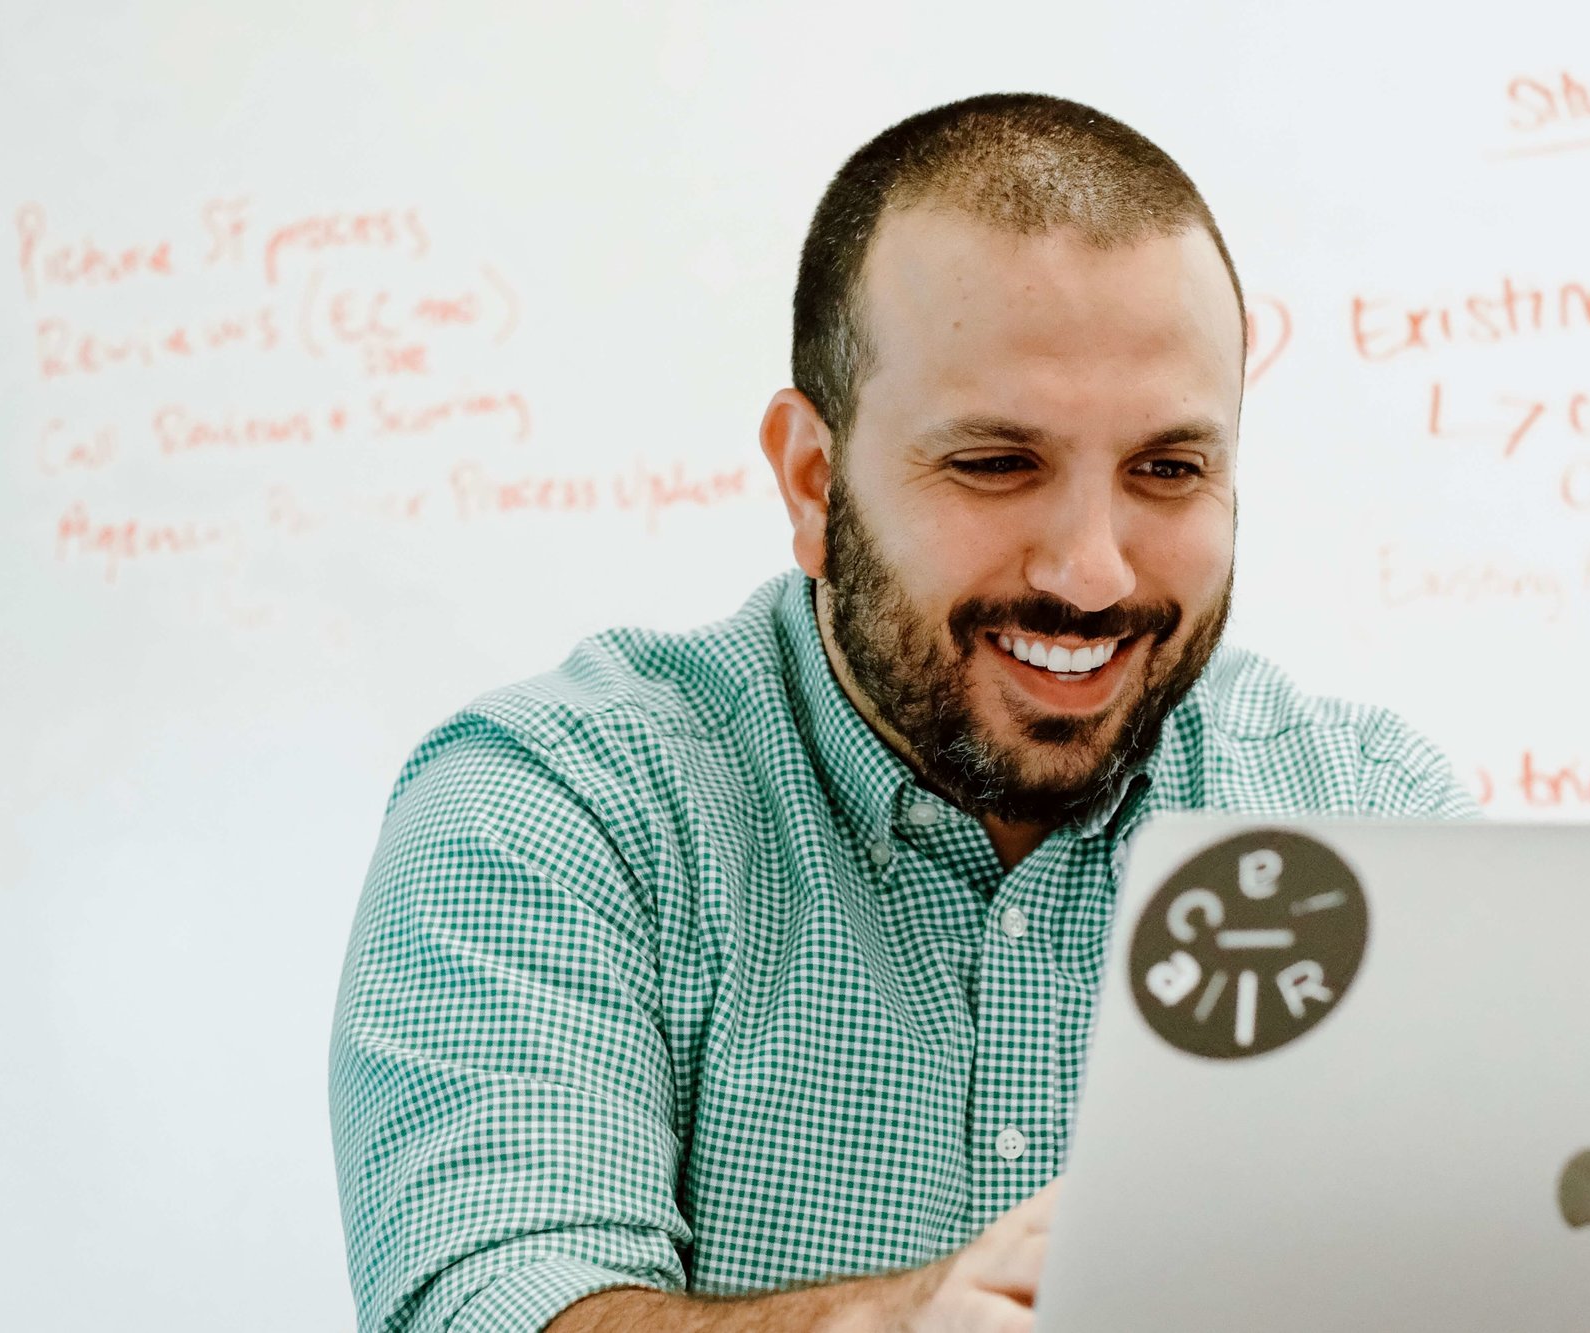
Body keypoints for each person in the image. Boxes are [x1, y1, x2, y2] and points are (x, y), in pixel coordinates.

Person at [329, 92, 1476, 1333]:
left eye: (1167, 469)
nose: (1092, 572)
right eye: (995, 463)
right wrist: (904, 1323)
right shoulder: (552, 810)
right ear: (812, 481)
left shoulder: (1370, 820)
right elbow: (494, 1300)